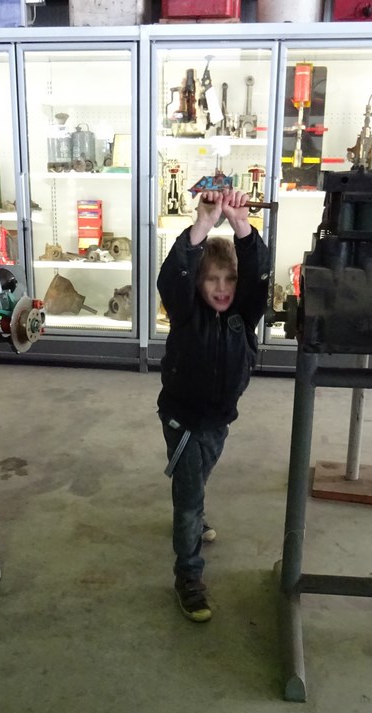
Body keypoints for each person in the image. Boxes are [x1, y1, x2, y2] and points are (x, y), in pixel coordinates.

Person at [157, 187, 271, 623]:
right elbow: (171, 279)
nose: (222, 289)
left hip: (220, 418)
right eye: (211, 279)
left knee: (200, 476)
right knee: (188, 498)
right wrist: (203, 225)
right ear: (197, 283)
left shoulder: (244, 313)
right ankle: (188, 576)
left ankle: (194, 511)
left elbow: (258, 276)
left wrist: (242, 225)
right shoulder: (186, 313)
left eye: (229, 280)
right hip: (183, 418)